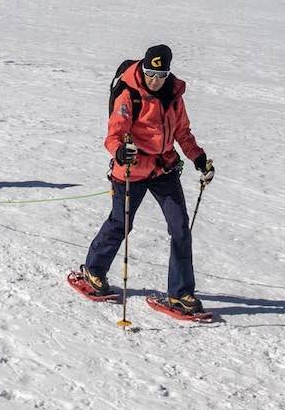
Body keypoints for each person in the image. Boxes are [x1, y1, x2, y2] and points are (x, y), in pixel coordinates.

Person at [73, 44, 215, 316]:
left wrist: (198, 158)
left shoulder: (174, 97)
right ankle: (94, 270)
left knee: (180, 229)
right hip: (132, 169)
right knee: (121, 223)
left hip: (163, 169)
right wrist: (120, 151)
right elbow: (114, 135)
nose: (155, 80)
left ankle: (180, 293)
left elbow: (183, 133)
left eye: (161, 75)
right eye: (150, 73)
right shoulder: (130, 95)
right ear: (144, 69)